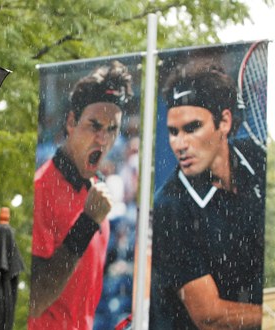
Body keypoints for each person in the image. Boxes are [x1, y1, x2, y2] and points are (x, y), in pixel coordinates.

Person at [150, 59, 265, 329]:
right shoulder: (170, 207)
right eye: (173, 132)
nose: (180, 144)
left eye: (192, 128)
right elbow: (209, 316)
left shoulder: (257, 159)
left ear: (224, 121)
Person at [28, 60, 133, 330]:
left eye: (112, 129)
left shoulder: (97, 190)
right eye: (94, 125)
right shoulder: (41, 190)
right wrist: (87, 223)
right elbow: (35, 299)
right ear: (72, 122)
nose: (103, 139)